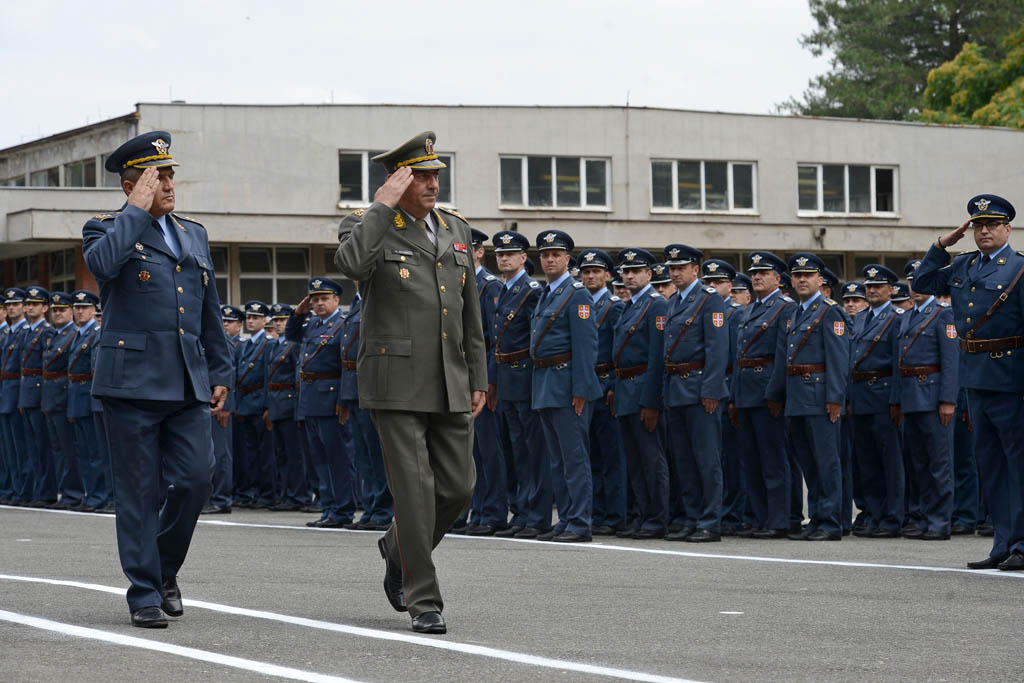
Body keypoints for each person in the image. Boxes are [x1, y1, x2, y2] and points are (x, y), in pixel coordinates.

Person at [335, 131, 487, 634]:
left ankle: (395, 546)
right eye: (420, 175)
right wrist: (379, 207)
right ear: (397, 179)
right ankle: (424, 599)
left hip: (451, 378)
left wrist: (479, 376)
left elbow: (470, 312)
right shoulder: (368, 225)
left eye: (435, 174)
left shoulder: (456, 228)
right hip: (395, 379)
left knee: (459, 489)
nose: (431, 183)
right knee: (415, 493)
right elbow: (352, 266)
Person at [82, 131, 232, 628]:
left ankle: (164, 568)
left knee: (195, 480)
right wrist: (137, 213)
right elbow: (103, 268)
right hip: (131, 383)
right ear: (131, 185)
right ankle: (144, 591)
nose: (169, 183)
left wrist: (220, 369)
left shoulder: (193, 233)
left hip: (188, 381)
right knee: (138, 492)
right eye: (157, 176)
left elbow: (208, 308)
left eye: (170, 174)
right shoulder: (104, 229)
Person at [913, 194, 1024, 570]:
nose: (984, 231)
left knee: (1017, 464)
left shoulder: (1019, 269)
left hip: (1012, 378)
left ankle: (1022, 543)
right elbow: (923, 281)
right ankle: (1003, 543)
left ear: (1008, 228)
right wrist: (942, 245)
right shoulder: (963, 265)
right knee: (989, 464)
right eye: (978, 225)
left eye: (992, 224)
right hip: (975, 378)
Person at [767, 253, 849, 541]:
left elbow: (839, 359)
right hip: (796, 398)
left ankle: (830, 522)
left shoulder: (830, 311)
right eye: (798, 275)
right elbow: (782, 358)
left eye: (809, 275)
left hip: (820, 396)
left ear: (820, 279)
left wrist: (836, 398)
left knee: (827, 462)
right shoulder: (793, 313)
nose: (802, 280)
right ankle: (816, 518)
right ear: (791, 280)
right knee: (808, 462)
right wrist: (775, 394)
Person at [530, 230, 601, 542]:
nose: (549, 259)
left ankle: (580, 522)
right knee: (557, 460)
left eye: (556, 254)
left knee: (575, 458)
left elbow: (587, 346)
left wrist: (582, 390)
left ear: (567, 259)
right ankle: (567, 518)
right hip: (546, 383)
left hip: (567, 385)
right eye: (545, 254)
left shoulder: (577, 294)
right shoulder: (548, 293)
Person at [661, 247, 728, 542]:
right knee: (684, 460)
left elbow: (717, 348)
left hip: (700, 388)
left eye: (682, 267)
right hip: (676, 389)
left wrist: (712, 389)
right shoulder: (673, 300)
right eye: (672, 267)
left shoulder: (709, 300)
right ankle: (690, 517)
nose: (675, 272)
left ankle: (710, 520)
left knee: (707, 459)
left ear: (695, 269)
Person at [489, 230, 550, 540]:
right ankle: (523, 512)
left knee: (533, 451)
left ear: (524, 258)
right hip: (507, 379)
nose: (504, 258)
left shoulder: (531, 290)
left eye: (510, 253)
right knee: (518, 452)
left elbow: (534, 337)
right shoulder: (504, 290)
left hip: (525, 377)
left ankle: (537, 516)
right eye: (500, 254)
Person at [732, 252, 795, 538]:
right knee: (750, 460)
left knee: (773, 460)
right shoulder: (748, 310)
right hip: (745, 391)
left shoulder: (784, 308)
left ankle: (779, 520)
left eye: (764, 273)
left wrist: (776, 393)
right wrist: (734, 396)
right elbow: (738, 356)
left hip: (768, 391)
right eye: (754, 273)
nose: (756, 277)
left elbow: (783, 356)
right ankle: (759, 518)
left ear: (778, 279)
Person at [285, 278, 356, 529]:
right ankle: (328, 507)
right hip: (310, 398)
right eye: (315, 300)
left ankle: (343, 508)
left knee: (337, 457)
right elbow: (291, 336)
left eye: (324, 299)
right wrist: (298, 314)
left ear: (336, 300)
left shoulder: (343, 325)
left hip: (331, 398)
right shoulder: (312, 323)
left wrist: (343, 399)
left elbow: (347, 366)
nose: (319, 304)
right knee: (319, 458)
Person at [895, 260, 958, 540]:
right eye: (912, 281)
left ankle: (940, 521)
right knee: (917, 462)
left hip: (933, 398)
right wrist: (896, 400)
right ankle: (921, 517)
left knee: (938, 464)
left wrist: (947, 400)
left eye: (921, 280)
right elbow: (901, 363)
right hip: (910, 397)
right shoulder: (906, 316)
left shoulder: (944, 315)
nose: (915, 286)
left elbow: (951, 361)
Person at [612, 247, 669, 539]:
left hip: (643, 391)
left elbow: (657, 357)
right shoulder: (630, 305)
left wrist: (651, 400)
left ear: (649, 274)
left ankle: (657, 518)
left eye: (636, 271)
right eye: (626, 271)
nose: (630, 276)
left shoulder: (655, 305)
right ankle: (642, 515)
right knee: (634, 461)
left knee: (651, 459)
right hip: (625, 391)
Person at [848, 264, 905, 538]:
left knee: (890, 462)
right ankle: (873, 514)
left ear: (891, 290)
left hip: (883, 395)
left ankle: (893, 518)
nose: (872, 290)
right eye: (869, 286)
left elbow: (897, 362)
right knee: (866, 461)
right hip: (859, 395)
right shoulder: (859, 319)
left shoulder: (897, 318)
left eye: (878, 286)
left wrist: (896, 400)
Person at [461, 228, 507, 535]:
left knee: (489, 449)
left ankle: (492, 512)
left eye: (471, 249)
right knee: (468, 450)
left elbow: (492, 339)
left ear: (480, 252)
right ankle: (476, 510)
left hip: (481, 375)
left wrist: (488, 380)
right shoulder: (457, 281)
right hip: (459, 376)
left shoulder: (489, 285)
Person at [577, 248, 627, 535]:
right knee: (592, 456)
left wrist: (613, 386)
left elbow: (620, 350)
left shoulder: (615, 306)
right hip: (587, 384)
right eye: (586, 272)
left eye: (596, 271)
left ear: (608, 275)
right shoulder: (582, 302)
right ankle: (596, 512)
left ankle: (614, 515)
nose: (590, 276)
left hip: (606, 382)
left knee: (611, 457)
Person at [336, 290, 394, 529]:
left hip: (374, 387)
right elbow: (344, 356)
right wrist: (343, 396)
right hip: (354, 388)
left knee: (378, 454)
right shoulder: (357, 303)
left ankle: (382, 510)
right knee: (364, 456)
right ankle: (370, 508)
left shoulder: (381, 297)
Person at [702, 258, 747, 535]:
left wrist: (732, 396)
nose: (711, 286)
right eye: (707, 281)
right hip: (711, 386)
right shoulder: (705, 309)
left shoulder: (736, 314)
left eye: (717, 282)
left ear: (730, 286)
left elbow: (734, 358)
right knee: (712, 454)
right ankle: (720, 510)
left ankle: (732, 514)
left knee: (730, 456)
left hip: (728, 386)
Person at [67, 290, 110, 512]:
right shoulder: (78, 334)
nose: (80, 311)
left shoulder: (97, 332)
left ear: (95, 310)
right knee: (84, 452)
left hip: (92, 398)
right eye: (76, 307)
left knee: (97, 453)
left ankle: (100, 496)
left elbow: (95, 369)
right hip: (79, 399)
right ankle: (91, 493)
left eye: (84, 307)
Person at [263, 304, 308, 512]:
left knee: (294, 454)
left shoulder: (294, 345)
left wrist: (299, 407)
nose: (278, 324)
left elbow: (298, 377)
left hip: (289, 403)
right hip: (276, 403)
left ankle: (297, 495)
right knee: (280, 454)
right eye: (276, 320)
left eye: (283, 320)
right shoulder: (275, 346)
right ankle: (284, 493)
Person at [41, 291, 84, 509]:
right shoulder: (57, 335)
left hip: (65, 397)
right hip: (51, 398)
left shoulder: (72, 334)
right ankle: (64, 491)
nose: (57, 313)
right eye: (55, 310)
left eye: (62, 310)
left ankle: (73, 493)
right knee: (58, 450)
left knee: (69, 450)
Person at [235, 301, 275, 509]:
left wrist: (268, 406)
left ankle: (266, 493)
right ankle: (251, 491)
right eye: (248, 318)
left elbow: (269, 376)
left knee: (265, 454)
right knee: (248, 454)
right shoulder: (245, 345)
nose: (250, 321)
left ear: (265, 320)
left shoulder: (268, 344)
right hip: (245, 405)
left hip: (259, 403)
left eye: (255, 318)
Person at [203, 305, 240, 515]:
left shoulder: (220, 340)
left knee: (221, 453)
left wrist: (227, 406)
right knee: (208, 454)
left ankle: (221, 498)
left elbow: (229, 374)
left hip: (218, 404)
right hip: (205, 403)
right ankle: (210, 497)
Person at [19, 286, 53, 506]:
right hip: (26, 391)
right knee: (30, 446)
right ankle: (34, 491)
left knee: (43, 447)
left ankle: (45, 492)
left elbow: (46, 365)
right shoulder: (27, 332)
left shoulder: (46, 332)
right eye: (28, 304)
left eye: (35, 304)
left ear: (45, 308)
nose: (30, 307)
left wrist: (42, 395)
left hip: (39, 390)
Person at [1, 288, 29, 505]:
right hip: (6, 393)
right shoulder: (10, 333)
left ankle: (23, 490)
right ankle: (11, 487)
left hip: (18, 392)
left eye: (15, 304)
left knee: (21, 446)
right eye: (8, 305)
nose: (11, 308)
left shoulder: (24, 332)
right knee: (9, 447)